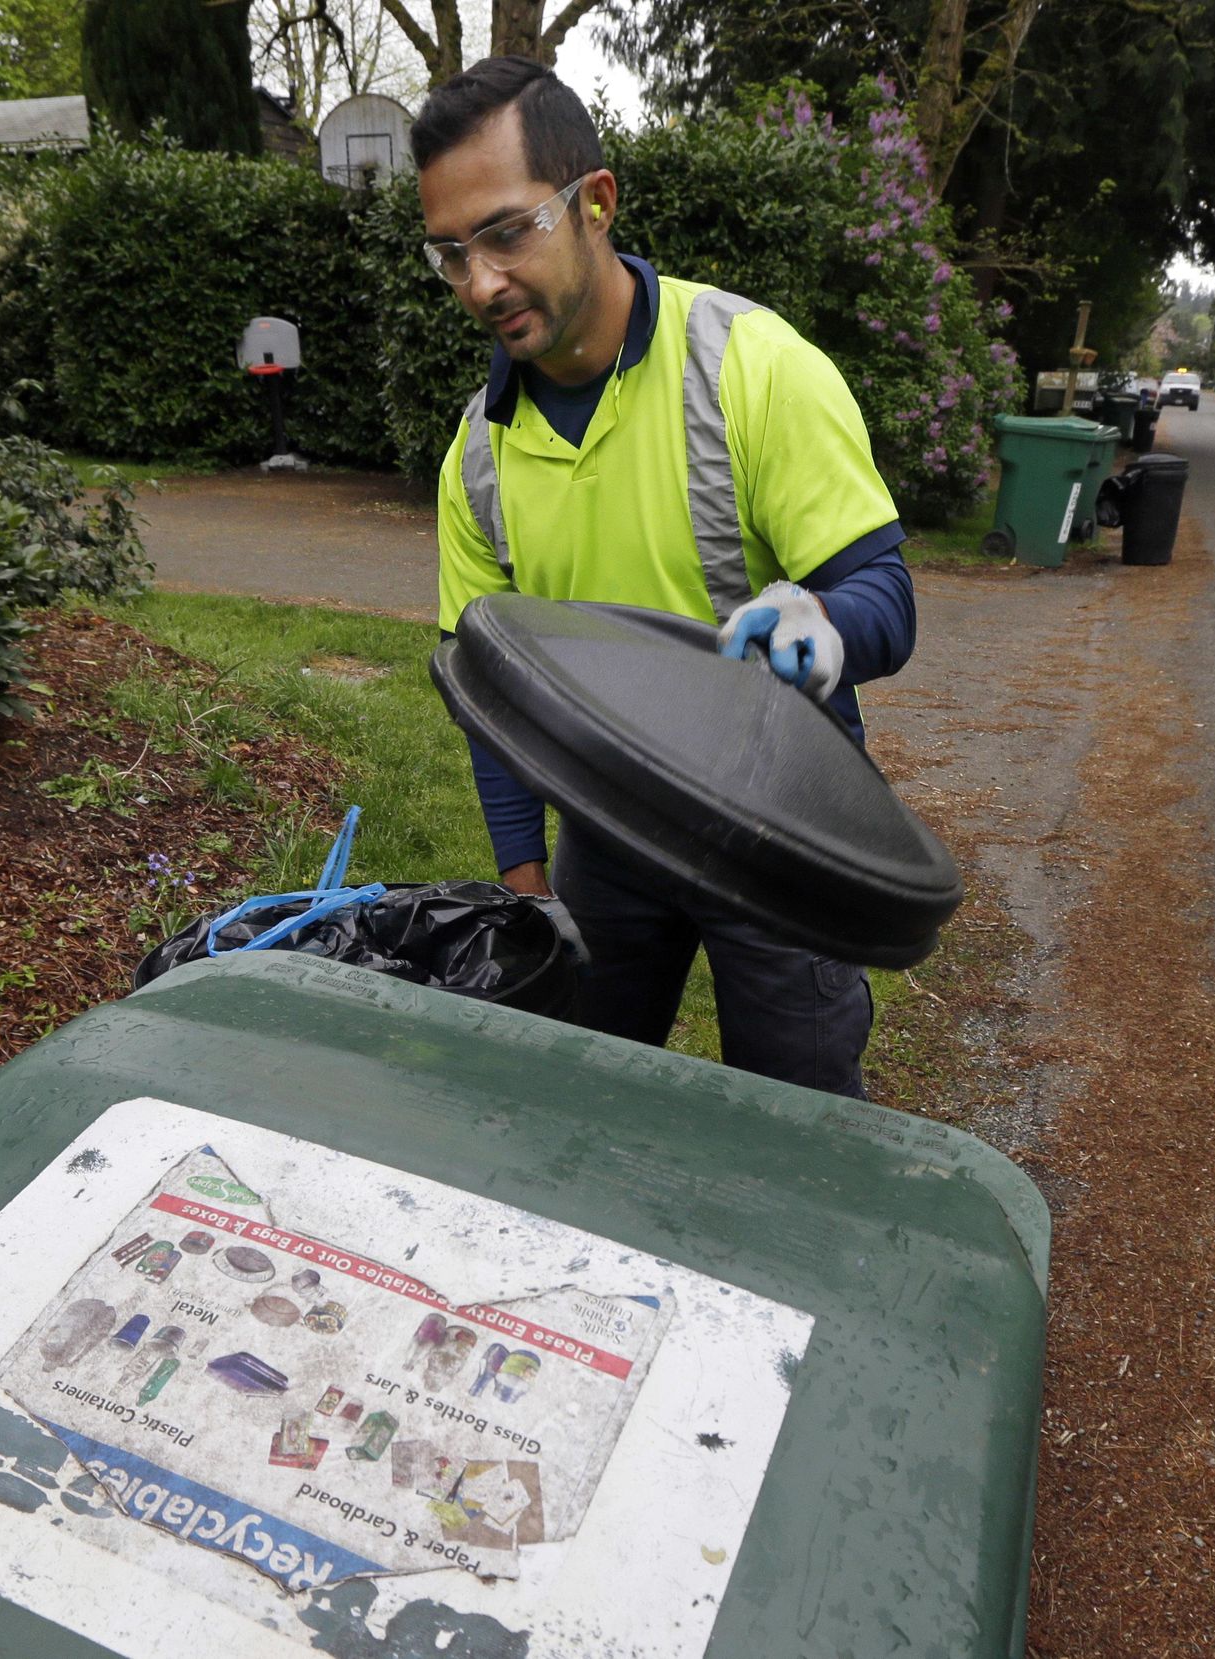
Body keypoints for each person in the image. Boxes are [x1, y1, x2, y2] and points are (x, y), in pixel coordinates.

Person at [417, 56, 915, 1100]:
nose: (480, 283)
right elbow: (492, 697)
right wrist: (526, 885)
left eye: (508, 233)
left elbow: (885, 595)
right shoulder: (475, 456)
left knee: (797, 1120)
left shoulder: (750, 366)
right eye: (451, 253)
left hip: (783, 825)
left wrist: (822, 615)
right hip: (610, 826)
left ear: (594, 202)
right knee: (578, 1102)